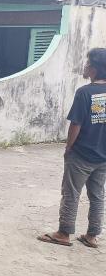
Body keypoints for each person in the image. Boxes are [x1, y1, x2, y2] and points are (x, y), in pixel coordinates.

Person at [39, 47, 106, 248]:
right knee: (97, 196)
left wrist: (68, 148)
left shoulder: (84, 92)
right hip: (103, 156)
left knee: (71, 193)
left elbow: (76, 124)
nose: (85, 66)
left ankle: (64, 233)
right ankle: (92, 236)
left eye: (88, 63)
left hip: (82, 154)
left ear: (94, 69)